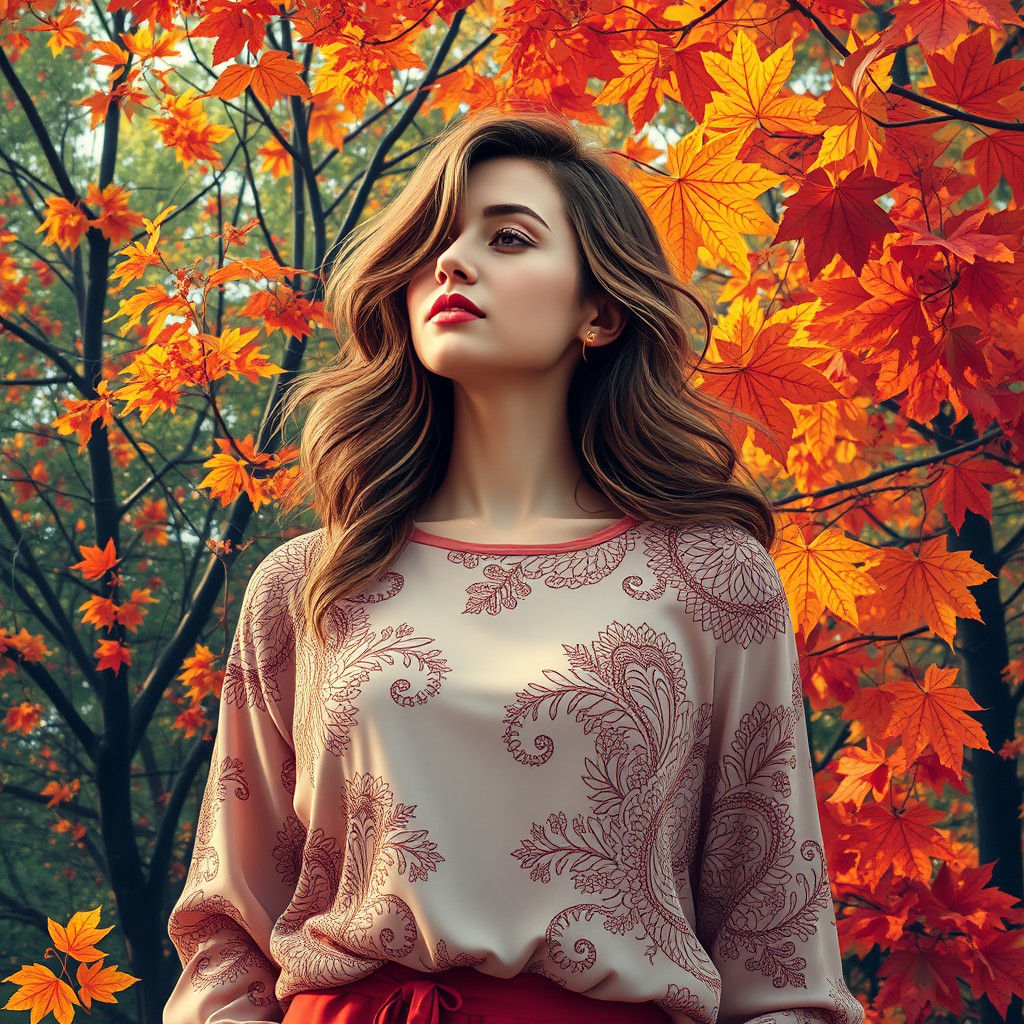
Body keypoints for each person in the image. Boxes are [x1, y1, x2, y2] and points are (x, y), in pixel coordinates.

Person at [163, 105, 866, 1024]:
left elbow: (778, 946)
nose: (451, 263)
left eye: (509, 237)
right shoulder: (309, 584)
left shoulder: (712, 577)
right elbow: (228, 930)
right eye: (433, 243)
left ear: (601, 310)